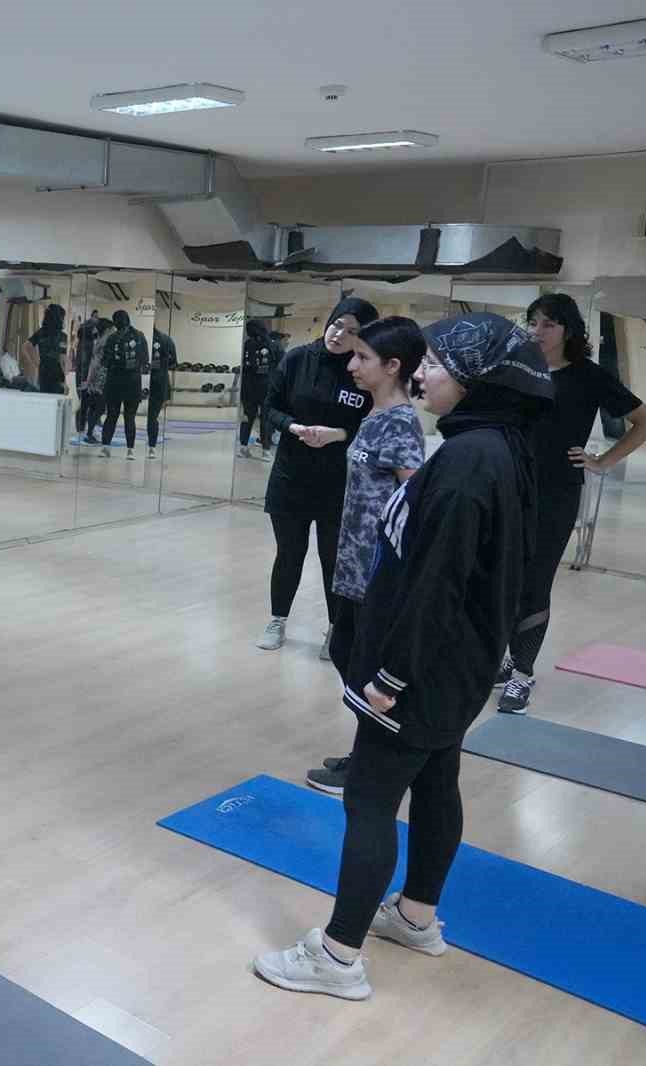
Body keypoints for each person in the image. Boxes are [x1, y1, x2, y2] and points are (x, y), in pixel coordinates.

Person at [254, 313, 553, 1002]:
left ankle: (337, 956)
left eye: (438, 367)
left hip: (423, 668)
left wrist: (391, 674)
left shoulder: (467, 461)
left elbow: (436, 581)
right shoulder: (499, 446)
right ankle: (416, 916)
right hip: (462, 665)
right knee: (436, 780)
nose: (421, 374)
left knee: (368, 797)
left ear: (475, 380)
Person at [496, 294, 646, 713]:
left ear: (568, 330)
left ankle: (522, 673)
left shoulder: (588, 376)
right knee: (501, 577)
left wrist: (602, 461)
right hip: (509, 486)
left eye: (547, 324)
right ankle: (505, 661)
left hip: (556, 491)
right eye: (532, 323)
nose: (537, 332)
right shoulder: (517, 370)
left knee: (535, 582)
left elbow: (644, 420)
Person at [305, 317, 427, 796]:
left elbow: (413, 501)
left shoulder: (399, 423)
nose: (352, 365)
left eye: (363, 358)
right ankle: (368, 751)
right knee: (346, 652)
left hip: (377, 572)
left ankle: (370, 764)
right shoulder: (374, 416)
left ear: (393, 366)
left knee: (363, 666)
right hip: (353, 567)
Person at [256, 297, 379, 656]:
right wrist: (293, 426)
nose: (339, 334)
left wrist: (338, 434)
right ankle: (277, 620)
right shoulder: (297, 359)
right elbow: (271, 407)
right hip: (290, 477)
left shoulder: (362, 373)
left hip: (337, 484)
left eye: (353, 331)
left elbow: (370, 424)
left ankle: (335, 629)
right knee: (289, 553)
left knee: (333, 560)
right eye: (337, 324)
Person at [96, 310, 148, 460]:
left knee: (114, 416)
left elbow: (104, 361)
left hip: (118, 382)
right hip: (129, 381)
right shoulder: (139, 336)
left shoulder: (114, 338)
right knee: (127, 417)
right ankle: (128, 450)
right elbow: (145, 360)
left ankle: (108, 448)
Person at [239, 320, 281, 460]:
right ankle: (266, 450)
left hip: (248, 387)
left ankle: (243, 447)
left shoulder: (247, 344)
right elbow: (282, 367)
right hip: (266, 387)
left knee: (248, 417)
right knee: (265, 419)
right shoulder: (273, 345)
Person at [72, 309, 108, 443]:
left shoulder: (87, 345)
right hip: (86, 379)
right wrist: (87, 381)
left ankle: (85, 430)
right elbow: (88, 364)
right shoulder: (87, 346)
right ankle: (84, 431)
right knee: (89, 405)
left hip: (87, 379)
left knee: (89, 405)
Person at [25, 304, 68, 397]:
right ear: (58, 318)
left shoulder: (41, 332)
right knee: (55, 401)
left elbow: (26, 346)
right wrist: (65, 382)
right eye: (62, 317)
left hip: (44, 370)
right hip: (55, 372)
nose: (63, 320)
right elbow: (62, 360)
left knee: (45, 399)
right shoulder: (62, 336)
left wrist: (34, 362)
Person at [147, 328, 177, 460]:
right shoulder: (166, 339)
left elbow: (173, 361)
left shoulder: (163, 339)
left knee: (150, 417)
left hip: (152, 380)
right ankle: (151, 448)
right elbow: (174, 362)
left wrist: (154, 365)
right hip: (158, 380)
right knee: (152, 417)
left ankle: (150, 447)